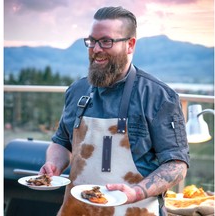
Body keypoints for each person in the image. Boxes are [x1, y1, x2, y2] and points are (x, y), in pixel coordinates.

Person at [39, 6, 190, 216]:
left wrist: (136, 192)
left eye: (106, 41)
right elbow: (61, 142)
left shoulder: (158, 97)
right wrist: (53, 164)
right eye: (92, 41)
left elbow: (176, 164)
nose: (96, 49)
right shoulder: (77, 91)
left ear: (130, 45)